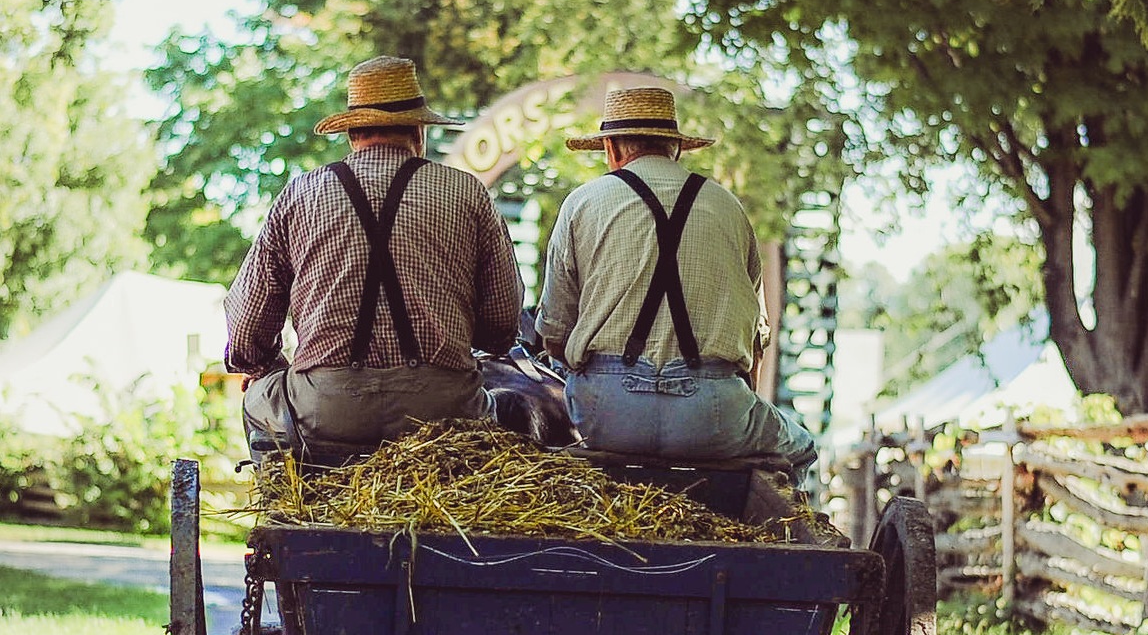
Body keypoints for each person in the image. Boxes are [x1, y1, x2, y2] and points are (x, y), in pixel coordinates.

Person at [225, 56, 523, 455]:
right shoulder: (467, 193)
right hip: (444, 414)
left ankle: (284, 498)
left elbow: (246, 331)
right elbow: (502, 323)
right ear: (419, 130)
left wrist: (265, 367)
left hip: (327, 410)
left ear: (352, 133)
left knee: (257, 396)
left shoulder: (300, 195)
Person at [535, 86, 817, 485]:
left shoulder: (581, 204)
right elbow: (755, 344)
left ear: (611, 149)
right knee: (801, 448)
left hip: (608, 416)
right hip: (712, 416)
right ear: (677, 149)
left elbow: (554, 336)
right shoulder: (728, 207)